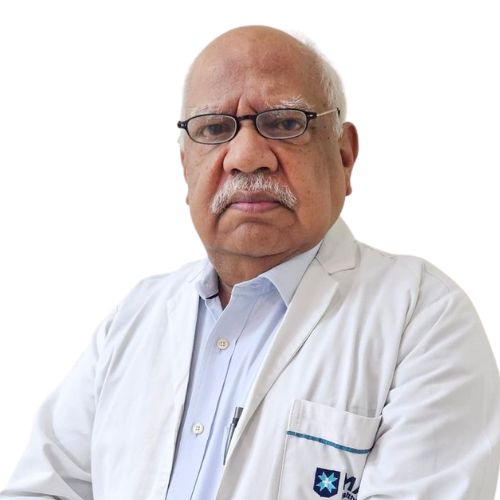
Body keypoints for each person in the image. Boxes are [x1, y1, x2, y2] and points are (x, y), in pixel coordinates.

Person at [1, 25, 499, 500]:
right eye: (215, 128)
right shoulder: (135, 318)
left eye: (284, 122)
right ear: (185, 167)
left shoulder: (423, 318)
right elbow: (42, 487)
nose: (245, 156)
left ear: (344, 155)